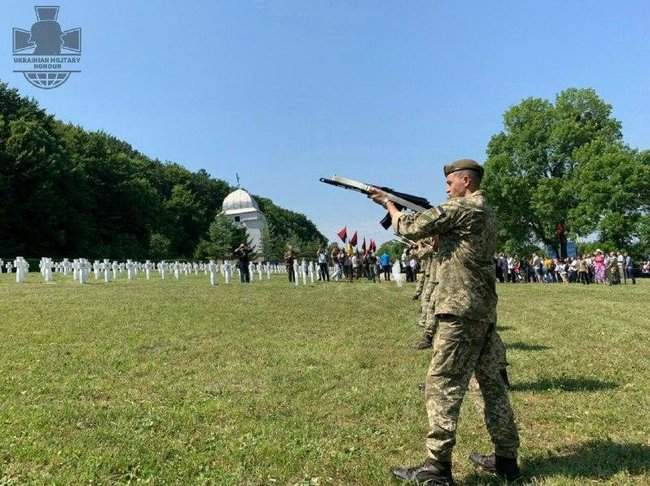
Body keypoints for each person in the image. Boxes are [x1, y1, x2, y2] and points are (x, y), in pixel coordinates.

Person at [370, 159, 520, 484]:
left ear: (466, 181)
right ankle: (507, 458)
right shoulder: (486, 212)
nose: (446, 188)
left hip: (459, 313)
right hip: (482, 311)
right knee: (491, 387)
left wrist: (389, 205)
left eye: (450, 182)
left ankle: (436, 468)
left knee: (443, 386)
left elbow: (410, 227)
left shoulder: (461, 209)